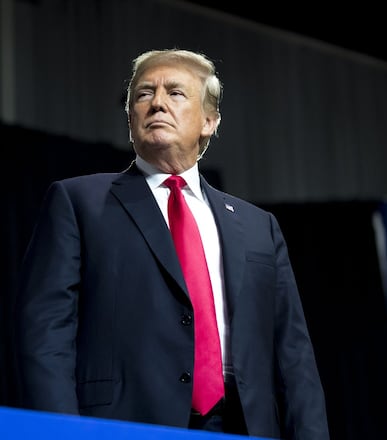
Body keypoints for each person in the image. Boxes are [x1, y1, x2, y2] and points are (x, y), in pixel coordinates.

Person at [14, 48, 330, 439]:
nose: (157, 103)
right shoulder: (78, 202)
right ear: (130, 117)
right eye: (144, 94)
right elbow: (45, 334)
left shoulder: (258, 225)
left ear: (209, 121)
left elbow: (293, 353)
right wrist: (58, 432)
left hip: (247, 425)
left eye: (175, 93)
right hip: (125, 423)